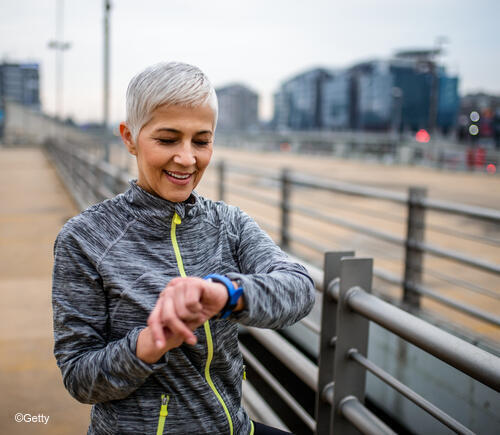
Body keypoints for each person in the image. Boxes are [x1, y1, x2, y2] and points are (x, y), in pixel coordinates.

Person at [52, 61, 315, 435]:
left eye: (201, 141)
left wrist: (226, 293)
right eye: (168, 139)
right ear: (129, 137)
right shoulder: (83, 238)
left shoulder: (229, 222)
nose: (188, 158)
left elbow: (300, 288)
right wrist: (150, 343)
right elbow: (80, 378)